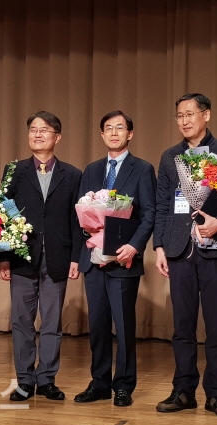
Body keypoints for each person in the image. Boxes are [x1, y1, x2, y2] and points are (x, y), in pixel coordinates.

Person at [153, 93, 217, 418]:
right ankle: (183, 391)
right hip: (179, 250)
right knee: (182, 326)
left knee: (216, 325)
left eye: (190, 114)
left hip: (216, 249)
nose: (184, 120)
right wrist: (159, 246)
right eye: (179, 115)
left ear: (206, 115)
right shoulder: (170, 157)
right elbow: (162, 205)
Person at [0, 111, 82, 402]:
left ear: (57, 137)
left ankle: (46, 379)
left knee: (51, 322)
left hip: (58, 257)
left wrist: (76, 258)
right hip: (21, 257)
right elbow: (3, 216)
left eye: (44, 130)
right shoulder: (14, 170)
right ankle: (24, 380)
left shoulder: (72, 174)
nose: (37, 134)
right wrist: (4, 257)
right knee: (21, 321)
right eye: (33, 129)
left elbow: (76, 220)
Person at [74, 111, 156, 407]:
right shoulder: (92, 169)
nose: (113, 132)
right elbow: (81, 210)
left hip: (123, 259)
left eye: (119, 128)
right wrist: (90, 238)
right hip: (94, 259)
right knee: (97, 326)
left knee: (123, 326)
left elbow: (149, 214)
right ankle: (99, 383)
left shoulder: (142, 168)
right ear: (102, 135)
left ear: (129, 134)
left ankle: (123, 385)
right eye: (108, 128)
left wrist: (134, 246)